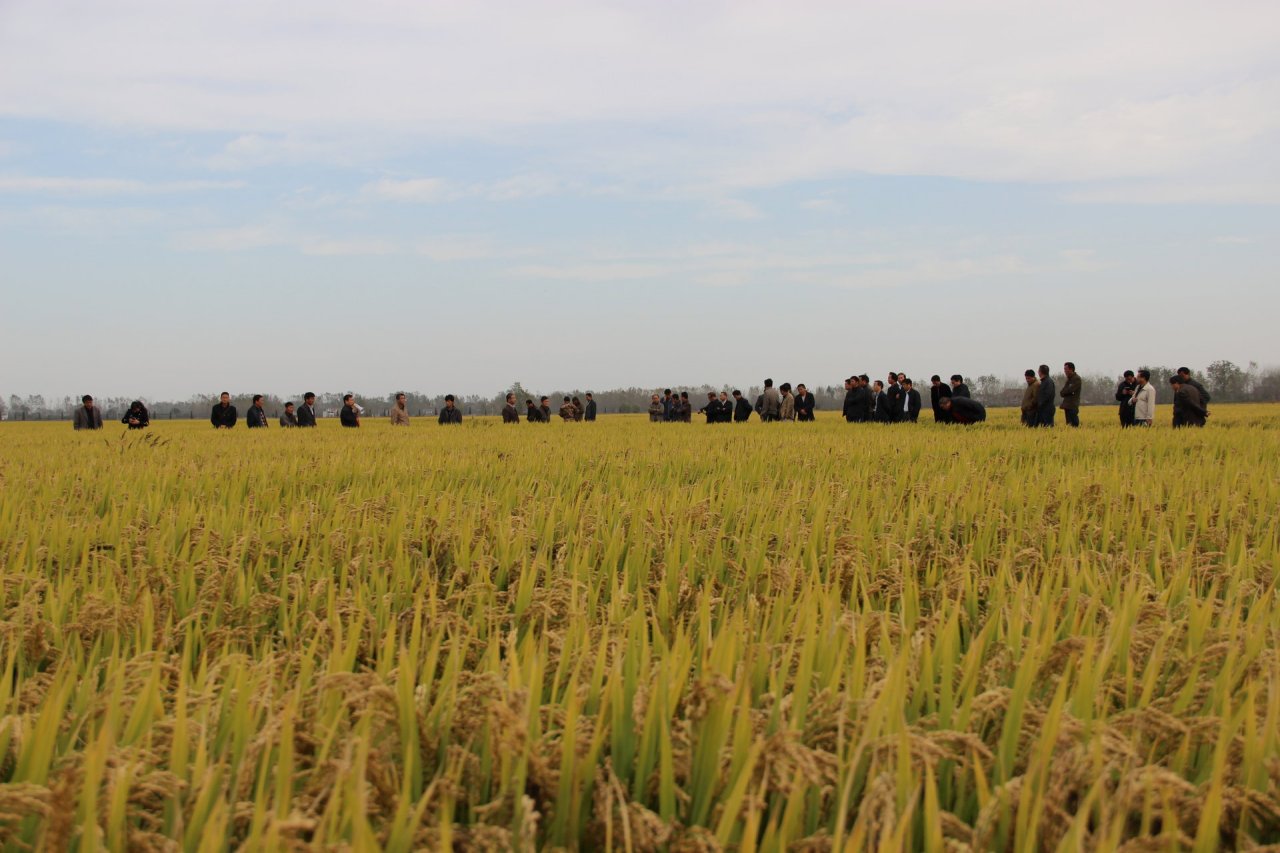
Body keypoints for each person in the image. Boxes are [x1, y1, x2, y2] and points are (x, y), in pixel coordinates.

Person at [1060, 362, 1082, 427]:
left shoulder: (1076, 379)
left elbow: (1070, 390)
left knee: (1074, 423)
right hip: (1067, 405)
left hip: (1073, 404)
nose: (1065, 371)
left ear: (1071, 369)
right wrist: (1066, 392)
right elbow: (1062, 392)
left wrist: (1067, 392)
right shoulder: (1069, 379)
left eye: (1066, 369)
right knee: (1068, 424)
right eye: (1064, 369)